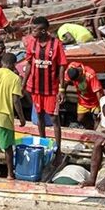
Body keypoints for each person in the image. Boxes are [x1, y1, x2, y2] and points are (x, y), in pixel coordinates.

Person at [22, 16, 67, 158]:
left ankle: (58, 151)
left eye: (35, 29)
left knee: (54, 119)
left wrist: (62, 89)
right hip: (35, 88)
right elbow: (29, 63)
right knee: (39, 117)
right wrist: (23, 83)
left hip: (51, 89)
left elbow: (61, 66)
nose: (32, 32)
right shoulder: (31, 43)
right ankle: (42, 144)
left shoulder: (56, 44)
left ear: (43, 31)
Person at [64, 62, 104, 129]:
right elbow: (65, 82)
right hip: (83, 100)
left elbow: (98, 92)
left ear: (80, 73)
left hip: (95, 101)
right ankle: (88, 126)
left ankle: (94, 133)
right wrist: (62, 92)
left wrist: (101, 107)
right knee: (80, 119)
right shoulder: (70, 69)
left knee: (96, 118)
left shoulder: (90, 74)